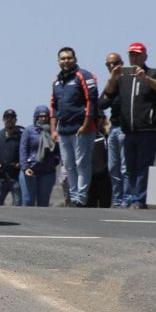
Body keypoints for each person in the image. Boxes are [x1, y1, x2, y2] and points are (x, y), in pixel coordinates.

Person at [103, 42, 156, 209]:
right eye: (132, 54)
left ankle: (139, 199)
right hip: (128, 130)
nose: (134, 57)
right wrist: (113, 76)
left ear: (145, 56)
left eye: (138, 54)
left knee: (143, 167)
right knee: (130, 167)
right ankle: (130, 198)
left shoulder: (154, 73)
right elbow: (107, 95)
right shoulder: (123, 77)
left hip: (147, 129)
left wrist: (145, 78)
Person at [50, 47, 98, 207]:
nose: (66, 61)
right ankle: (73, 196)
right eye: (62, 58)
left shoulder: (84, 76)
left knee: (81, 164)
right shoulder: (56, 81)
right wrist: (53, 129)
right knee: (69, 166)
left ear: (75, 59)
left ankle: (80, 198)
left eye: (69, 58)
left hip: (81, 130)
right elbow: (53, 106)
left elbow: (92, 101)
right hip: (64, 131)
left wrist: (85, 125)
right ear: (58, 61)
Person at [98, 52, 129, 208]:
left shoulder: (129, 79)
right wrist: (112, 79)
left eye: (115, 63)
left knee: (125, 168)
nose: (112, 66)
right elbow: (102, 103)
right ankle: (117, 200)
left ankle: (126, 199)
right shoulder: (112, 82)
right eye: (108, 64)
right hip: (114, 128)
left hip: (126, 129)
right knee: (113, 167)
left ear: (122, 63)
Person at [19, 105, 60, 206]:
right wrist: (25, 167)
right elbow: (23, 150)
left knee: (43, 203)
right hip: (30, 171)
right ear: (36, 117)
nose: (43, 118)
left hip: (47, 172)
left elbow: (58, 152)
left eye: (45, 116)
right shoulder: (28, 131)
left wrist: (52, 163)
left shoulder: (52, 131)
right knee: (28, 201)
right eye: (40, 116)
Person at [0, 109, 23, 206]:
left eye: (12, 118)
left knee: (18, 206)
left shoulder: (21, 136)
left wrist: (20, 163)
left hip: (16, 178)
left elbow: (25, 152)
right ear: (3, 120)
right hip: (1, 177)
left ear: (15, 120)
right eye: (7, 118)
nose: (9, 120)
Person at [86, 113, 112, 208]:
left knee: (105, 207)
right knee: (88, 208)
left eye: (101, 118)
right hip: (89, 177)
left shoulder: (108, 136)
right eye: (96, 118)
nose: (98, 120)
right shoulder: (86, 135)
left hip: (104, 177)